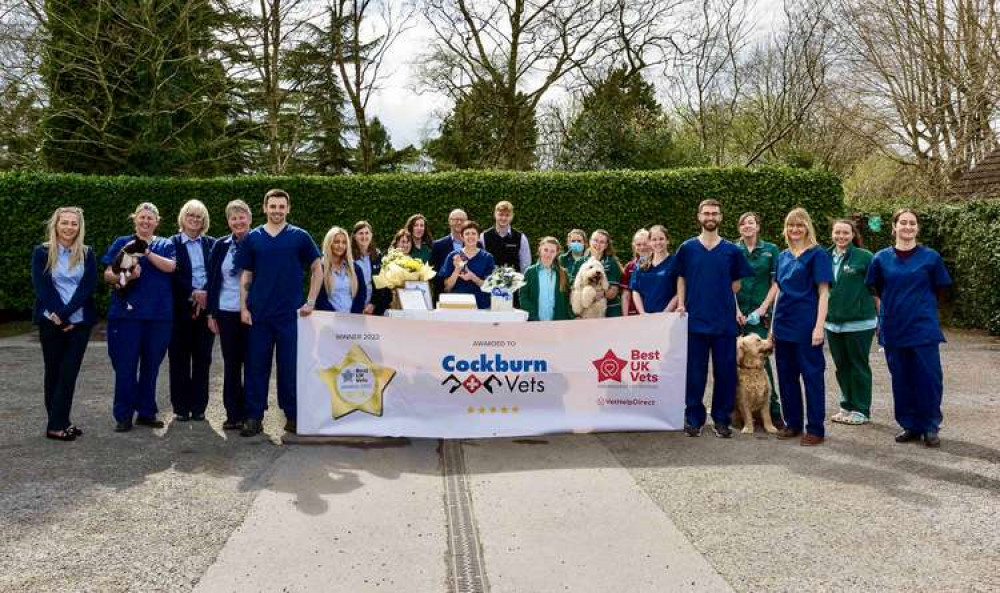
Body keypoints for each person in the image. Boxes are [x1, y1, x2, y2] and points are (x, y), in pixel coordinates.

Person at [236, 189, 322, 437]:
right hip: (259, 316)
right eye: (272, 206)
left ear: (288, 208)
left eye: (281, 206)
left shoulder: (300, 237)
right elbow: (246, 276)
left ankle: (293, 415)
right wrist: (243, 307)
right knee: (255, 368)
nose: (277, 210)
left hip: (290, 316)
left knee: (290, 368)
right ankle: (253, 417)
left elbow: (317, 268)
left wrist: (311, 301)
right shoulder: (253, 239)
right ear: (264, 208)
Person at [866, 209, 952, 448]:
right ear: (894, 227)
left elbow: (941, 288)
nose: (907, 227)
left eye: (912, 223)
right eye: (902, 222)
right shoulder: (881, 259)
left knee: (929, 378)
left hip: (923, 328)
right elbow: (875, 287)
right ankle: (910, 425)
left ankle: (930, 426)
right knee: (901, 379)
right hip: (893, 327)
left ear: (917, 228)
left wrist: (921, 306)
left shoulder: (931, 258)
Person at [675, 199, 753, 438]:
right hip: (695, 321)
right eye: (706, 213)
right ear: (699, 217)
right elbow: (681, 278)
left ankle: (721, 419)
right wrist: (680, 303)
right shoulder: (687, 248)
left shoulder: (732, 251)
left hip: (724, 323)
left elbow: (737, 284)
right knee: (695, 374)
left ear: (720, 217)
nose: (710, 217)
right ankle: (694, 418)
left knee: (725, 373)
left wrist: (721, 296)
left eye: (715, 213)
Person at [102, 203, 177, 432]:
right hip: (127, 316)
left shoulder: (166, 243)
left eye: (150, 218)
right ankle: (123, 415)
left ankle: (146, 412)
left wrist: (146, 251)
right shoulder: (121, 243)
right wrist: (127, 276)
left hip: (158, 316)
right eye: (142, 217)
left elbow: (171, 267)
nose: (146, 222)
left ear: (157, 221)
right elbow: (108, 275)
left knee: (151, 367)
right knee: (125, 366)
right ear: (135, 219)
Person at [31, 207, 97, 441]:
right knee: (54, 372)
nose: (69, 227)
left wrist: (68, 315)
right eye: (64, 223)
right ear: (55, 225)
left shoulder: (87, 253)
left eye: (74, 223)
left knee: (68, 373)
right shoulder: (42, 252)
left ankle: (60, 421)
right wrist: (60, 315)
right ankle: (57, 425)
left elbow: (87, 287)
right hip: (50, 321)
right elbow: (42, 287)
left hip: (79, 323)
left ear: (80, 227)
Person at [772, 207, 832, 446]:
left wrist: (819, 327)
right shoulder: (783, 256)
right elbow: (779, 293)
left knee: (812, 377)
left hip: (807, 326)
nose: (795, 229)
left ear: (807, 227)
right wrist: (772, 329)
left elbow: (824, 293)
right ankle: (793, 423)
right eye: (790, 225)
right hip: (784, 324)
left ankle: (815, 428)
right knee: (786, 377)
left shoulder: (818, 255)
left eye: (799, 225)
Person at [206, 200, 253, 431]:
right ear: (228, 222)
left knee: (253, 363)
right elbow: (213, 280)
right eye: (233, 218)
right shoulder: (220, 246)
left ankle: (252, 414)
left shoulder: (258, 242)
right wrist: (211, 313)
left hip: (252, 314)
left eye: (241, 216)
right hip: (226, 312)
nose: (238, 221)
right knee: (232, 364)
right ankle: (233, 414)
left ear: (249, 219)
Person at [826, 219, 878, 426]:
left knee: (858, 365)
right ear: (832, 234)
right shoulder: (824, 255)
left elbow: (876, 289)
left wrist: (880, 317)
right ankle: (846, 405)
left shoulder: (865, 257)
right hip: (832, 323)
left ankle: (861, 409)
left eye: (845, 233)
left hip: (859, 322)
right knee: (841, 366)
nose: (841, 236)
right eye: (837, 232)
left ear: (853, 234)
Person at [168, 200, 216, 423]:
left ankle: (199, 407)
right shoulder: (171, 244)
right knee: (179, 358)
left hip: (206, 309)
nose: (195, 219)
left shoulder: (212, 244)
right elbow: (172, 275)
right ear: (183, 217)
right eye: (191, 215)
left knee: (202, 358)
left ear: (204, 220)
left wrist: (205, 293)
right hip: (180, 309)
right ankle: (180, 407)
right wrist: (192, 292)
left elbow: (218, 274)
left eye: (199, 216)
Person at [735, 212, 782, 426]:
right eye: (743, 224)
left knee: (763, 362)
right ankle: (736, 412)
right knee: (735, 362)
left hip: (760, 316)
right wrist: (736, 310)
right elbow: (730, 283)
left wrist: (762, 309)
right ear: (739, 229)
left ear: (758, 226)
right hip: (737, 314)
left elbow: (776, 282)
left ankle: (772, 410)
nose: (747, 226)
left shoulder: (771, 250)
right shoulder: (733, 250)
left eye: (751, 222)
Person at [439, 221, 496, 310]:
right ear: (462, 237)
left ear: (478, 237)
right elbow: (447, 288)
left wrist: (473, 277)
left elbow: (490, 287)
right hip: (457, 305)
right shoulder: (453, 256)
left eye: (473, 233)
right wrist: (456, 270)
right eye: (467, 234)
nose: (470, 236)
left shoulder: (487, 257)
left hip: (481, 306)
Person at [569, 230, 624, 317]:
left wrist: (597, 295)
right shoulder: (579, 262)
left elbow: (613, 292)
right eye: (595, 240)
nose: (598, 244)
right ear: (590, 241)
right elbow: (573, 288)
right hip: (584, 313)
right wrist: (577, 313)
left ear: (606, 245)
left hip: (610, 312)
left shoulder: (611, 262)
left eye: (602, 242)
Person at [316, 226, 367, 314]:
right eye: (336, 242)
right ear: (329, 243)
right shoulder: (320, 268)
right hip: (329, 319)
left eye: (344, 242)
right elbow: (319, 298)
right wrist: (336, 316)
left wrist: (353, 314)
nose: (340, 246)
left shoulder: (355, 269)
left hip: (353, 319)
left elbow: (361, 294)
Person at [520, 237, 572, 321]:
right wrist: (532, 315)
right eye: (546, 250)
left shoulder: (563, 273)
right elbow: (523, 296)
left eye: (552, 251)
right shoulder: (530, 272)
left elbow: (569, 297)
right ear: (540, 250)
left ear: (556, 253)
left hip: (558, 323)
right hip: (535, 322)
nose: (548, 254)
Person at [631, 225, 678, 314]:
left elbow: (680, 291)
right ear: (649, 242)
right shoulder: (642, 264)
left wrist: (665, 312)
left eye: (661, 239)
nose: (658, 242)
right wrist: (642, 313)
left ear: (667, 241)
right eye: (654, 239)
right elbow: (635, 290)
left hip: (669, 316)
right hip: (646, 318)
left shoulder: (675, 262)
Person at [352, 221, 391, 315]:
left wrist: (373, 304)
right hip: (352, 305)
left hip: (373, 307)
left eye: (367, 233)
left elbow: (382, 285)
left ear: (371, 235)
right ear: (354, 236)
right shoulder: (348, 257)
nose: (364, 236)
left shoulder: (378, 256)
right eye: (360, 233)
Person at [482, 200, 531, 272]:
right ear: (495, 214)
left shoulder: (521, 237)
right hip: (490, 281)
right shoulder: (484, 236)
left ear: (512, 216)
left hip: (515, 282)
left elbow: (525, 264)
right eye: (501, 214)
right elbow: (482, 261)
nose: (504, 218)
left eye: (507, 215)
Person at [431, 209, 471, 296]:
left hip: (470, 294)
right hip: (444, 294)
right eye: (455, 219)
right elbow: (433, 272)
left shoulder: (476, 244)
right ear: (449, 221)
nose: (459, 222)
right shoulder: (438, 245)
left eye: (462, 220)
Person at [620, 229, 650, 316]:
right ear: (634, 246)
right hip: (634, 314)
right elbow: (626, 295)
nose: (642, 247)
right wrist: (625, 317)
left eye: (645, 244)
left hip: (655, 312)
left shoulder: (659, 264)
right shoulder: (630, 267)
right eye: (638, 244)